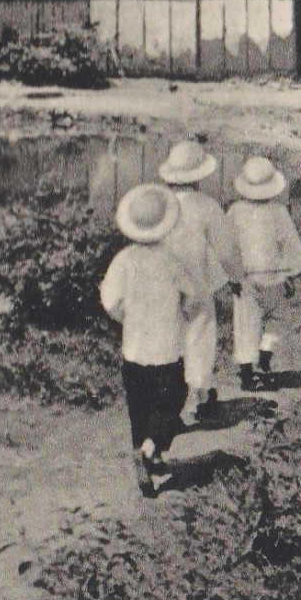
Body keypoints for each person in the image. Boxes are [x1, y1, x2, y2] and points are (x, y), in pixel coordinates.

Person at [100, 183, 205, 497]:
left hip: (133, 349)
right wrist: (182, 313)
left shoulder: (122, 260)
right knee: (173, 397)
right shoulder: (171, 259)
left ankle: (143, 451)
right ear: (164, 224)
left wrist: (126, 319)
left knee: (140, 407)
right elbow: (194, 295)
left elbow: (110, 301)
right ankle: (151, 450)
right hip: (166, 348)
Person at [156, 140, 244, 421]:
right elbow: (227, 248)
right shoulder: (205, 206)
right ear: (199, 176)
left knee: (171, 338)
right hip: (197, 283)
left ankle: (173, 402)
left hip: (164, 284)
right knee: (200, 335)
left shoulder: (159, 203)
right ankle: (198, 396)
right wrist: (234, 276)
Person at [227, 156, 301, 391]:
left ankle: (246, 372)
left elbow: (227, 245)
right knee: (274, 319)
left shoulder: (235, 211)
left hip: (246, 277)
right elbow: (291, 245)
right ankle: (264, 357)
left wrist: (231, 274)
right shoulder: (278, 211)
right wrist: (292, 274)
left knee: (245, 323)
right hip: (274, 275)